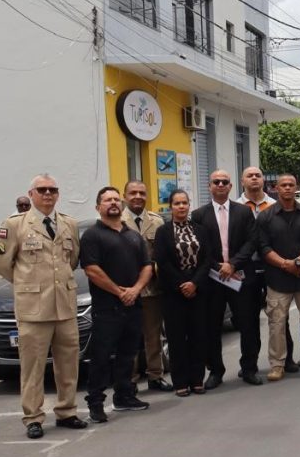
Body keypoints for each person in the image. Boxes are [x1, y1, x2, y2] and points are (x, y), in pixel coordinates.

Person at [0, 174, 88, 439]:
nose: (48, 194)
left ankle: (67, 411)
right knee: (33, 367)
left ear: (57, 194)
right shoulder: (15, 225)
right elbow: (3, 265)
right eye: (42, 189)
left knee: (68, 363)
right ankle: (33, 417)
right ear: (31, 194)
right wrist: (28, 283)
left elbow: (72, 260)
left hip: (65, 307)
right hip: (34, 308)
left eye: (52, 190)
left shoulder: (69, 224)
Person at [79, 186, 152, 423]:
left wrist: (135, 290)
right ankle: (96, 402)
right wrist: (118, 291)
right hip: (106, 308)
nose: (112, 203)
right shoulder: (92, 235)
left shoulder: (133, 235)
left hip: (133, 305)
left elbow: (147, 266)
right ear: (98, 207)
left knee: (128, 354)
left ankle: (124, 396)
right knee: (101, 357)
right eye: (107, 200)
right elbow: (91, 269)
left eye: (115, 199)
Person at [191, 170, 262, 388]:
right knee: (212, 327)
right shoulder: (198, 215)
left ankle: (249, 368)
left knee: (248, 325)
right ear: (209, 186)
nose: (220, 185)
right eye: (216, 182)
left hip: (240, 277)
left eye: (225, 182)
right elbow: (198, 248)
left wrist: (233, 264)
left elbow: (252, 242)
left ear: (231, 186)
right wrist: (218, 266)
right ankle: (215, 371)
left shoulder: (244, 212)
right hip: (212, 280)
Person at [256, 174, 300, 380]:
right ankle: (277, 365)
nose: (287, 188)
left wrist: (297, 262)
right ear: (276, 188)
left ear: (295, 187)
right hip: (277, 280)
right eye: (283, 185)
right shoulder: (266, 216)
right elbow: (263, 247)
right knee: (276, 324)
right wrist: (285, 265)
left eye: (290, 185)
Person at [238, 166, 298, 378]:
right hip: (247, 269)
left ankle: (286, 359)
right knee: (248, 319)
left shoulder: (276, 206)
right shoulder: (235, 207)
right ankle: (249, 366)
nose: (254, 179)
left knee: (280, 316)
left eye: (258, 175)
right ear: (242, 180)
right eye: (249, 176)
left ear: (264, 181)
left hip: (275, 267)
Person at [154, 189, 213, 397]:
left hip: (198, 290)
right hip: (173, 292)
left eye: (184, 203)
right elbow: (162, 262)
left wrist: (194, 283)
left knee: (198, 335)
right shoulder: (162, 232)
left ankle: (197, 379)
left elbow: (207, 260)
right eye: (176, 203)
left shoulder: (200, 230)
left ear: (189, 206)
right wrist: (182, 284)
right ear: (170, 207)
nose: (181, 207)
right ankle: (180, 381)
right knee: (177, 338)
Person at [122, 180, 172, 392]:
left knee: (154, 336)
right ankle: (130, 380)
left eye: (142, 193)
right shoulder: (118, 221)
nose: (137, 197)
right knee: (130, 337)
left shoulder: (156, 221)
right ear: (125, 196)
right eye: (132, 193)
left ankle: (155, 375)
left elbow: (163, 254)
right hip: (126, 290)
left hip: (152, 289)